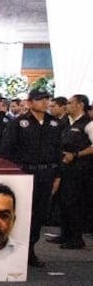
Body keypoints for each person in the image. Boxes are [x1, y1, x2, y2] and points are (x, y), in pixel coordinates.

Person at [0, 87, 63, 267]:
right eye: (40, 99)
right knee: (20, 212)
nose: (44, 102)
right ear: (30, 102)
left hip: (46, 174)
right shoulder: (19, 123)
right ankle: (12, 249)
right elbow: (6, 151)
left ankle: (30, 250)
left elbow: (58, 151)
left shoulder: (54, 123)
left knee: (39, 214)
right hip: (24, 172)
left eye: (47, 99)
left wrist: (58, 176)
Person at [53, 93, 92, 249]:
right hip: (64, 167)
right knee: (63, 201)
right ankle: (65, 234)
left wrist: (76, 155)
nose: (66, 105)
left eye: (70, 103)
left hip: (80, 169)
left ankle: (76, 238)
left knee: (75, 202)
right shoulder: (66, 123)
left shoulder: (88, 124)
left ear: (80, 105)